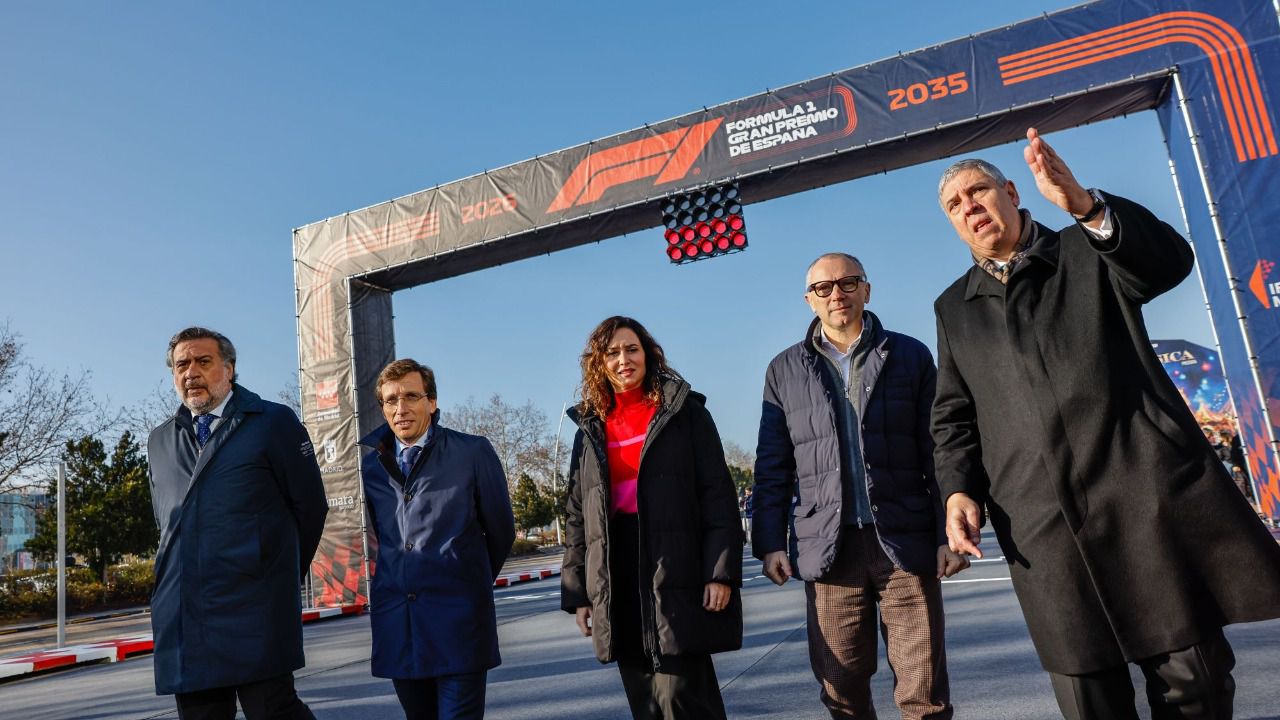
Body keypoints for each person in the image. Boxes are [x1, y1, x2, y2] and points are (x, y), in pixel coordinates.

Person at [932, 127, 1280, 720]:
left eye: (979, 190)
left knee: (1192, 686)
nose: (970, 207)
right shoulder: (952, 308)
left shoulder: (1084, 250)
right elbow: (954, 414)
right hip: (1045, 530)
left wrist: (1088, 207)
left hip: (1147, 505)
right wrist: (959, 488)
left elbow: (1168, 263)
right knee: (1090, 700)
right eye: (955, 205)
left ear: (1013, 192)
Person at [753, 253, 966, 719]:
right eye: (824, 288)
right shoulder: (784, 370)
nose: (837, 294)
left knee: (924, 691)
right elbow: (773, 465)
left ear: (866, 290)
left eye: (848, 282)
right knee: (841, 689)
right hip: (828, 552)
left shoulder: (909, 355)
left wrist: (944, 536)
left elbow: (938, 449)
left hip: (904, 545)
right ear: (810, 301)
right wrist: (769, 542)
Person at [561, 316, 742, 720]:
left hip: (673, 557)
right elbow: (578, 517)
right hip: (617, 565)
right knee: (644, 698)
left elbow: (717, 496)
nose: (623, 360)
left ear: (648, 354)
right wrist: (581, 594)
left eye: (631, 349)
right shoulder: (589, 429)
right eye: (612, 353)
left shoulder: (684, 414)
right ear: (599, 363)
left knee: (683, 693)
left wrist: (720, 572)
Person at [148, 327, 328, 720]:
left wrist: (277, 576)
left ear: (229, 369)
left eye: (203, 361)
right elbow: (165, 523)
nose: (191, 372)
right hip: (186, 618)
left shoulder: (272, 422)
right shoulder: (159, 441)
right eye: (182, 364)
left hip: (255, 611)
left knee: (276, 712)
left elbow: (311, 508)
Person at [359, 358, 515, 720]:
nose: (401, 408)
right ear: (382, 408)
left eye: (411, 396)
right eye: (391, 400)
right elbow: (385, 537)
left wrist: (465, 580)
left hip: (458, 622)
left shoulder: (472, 452)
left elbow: (501, 531)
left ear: (432, 402)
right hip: (399, 626)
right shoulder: (371, 467)